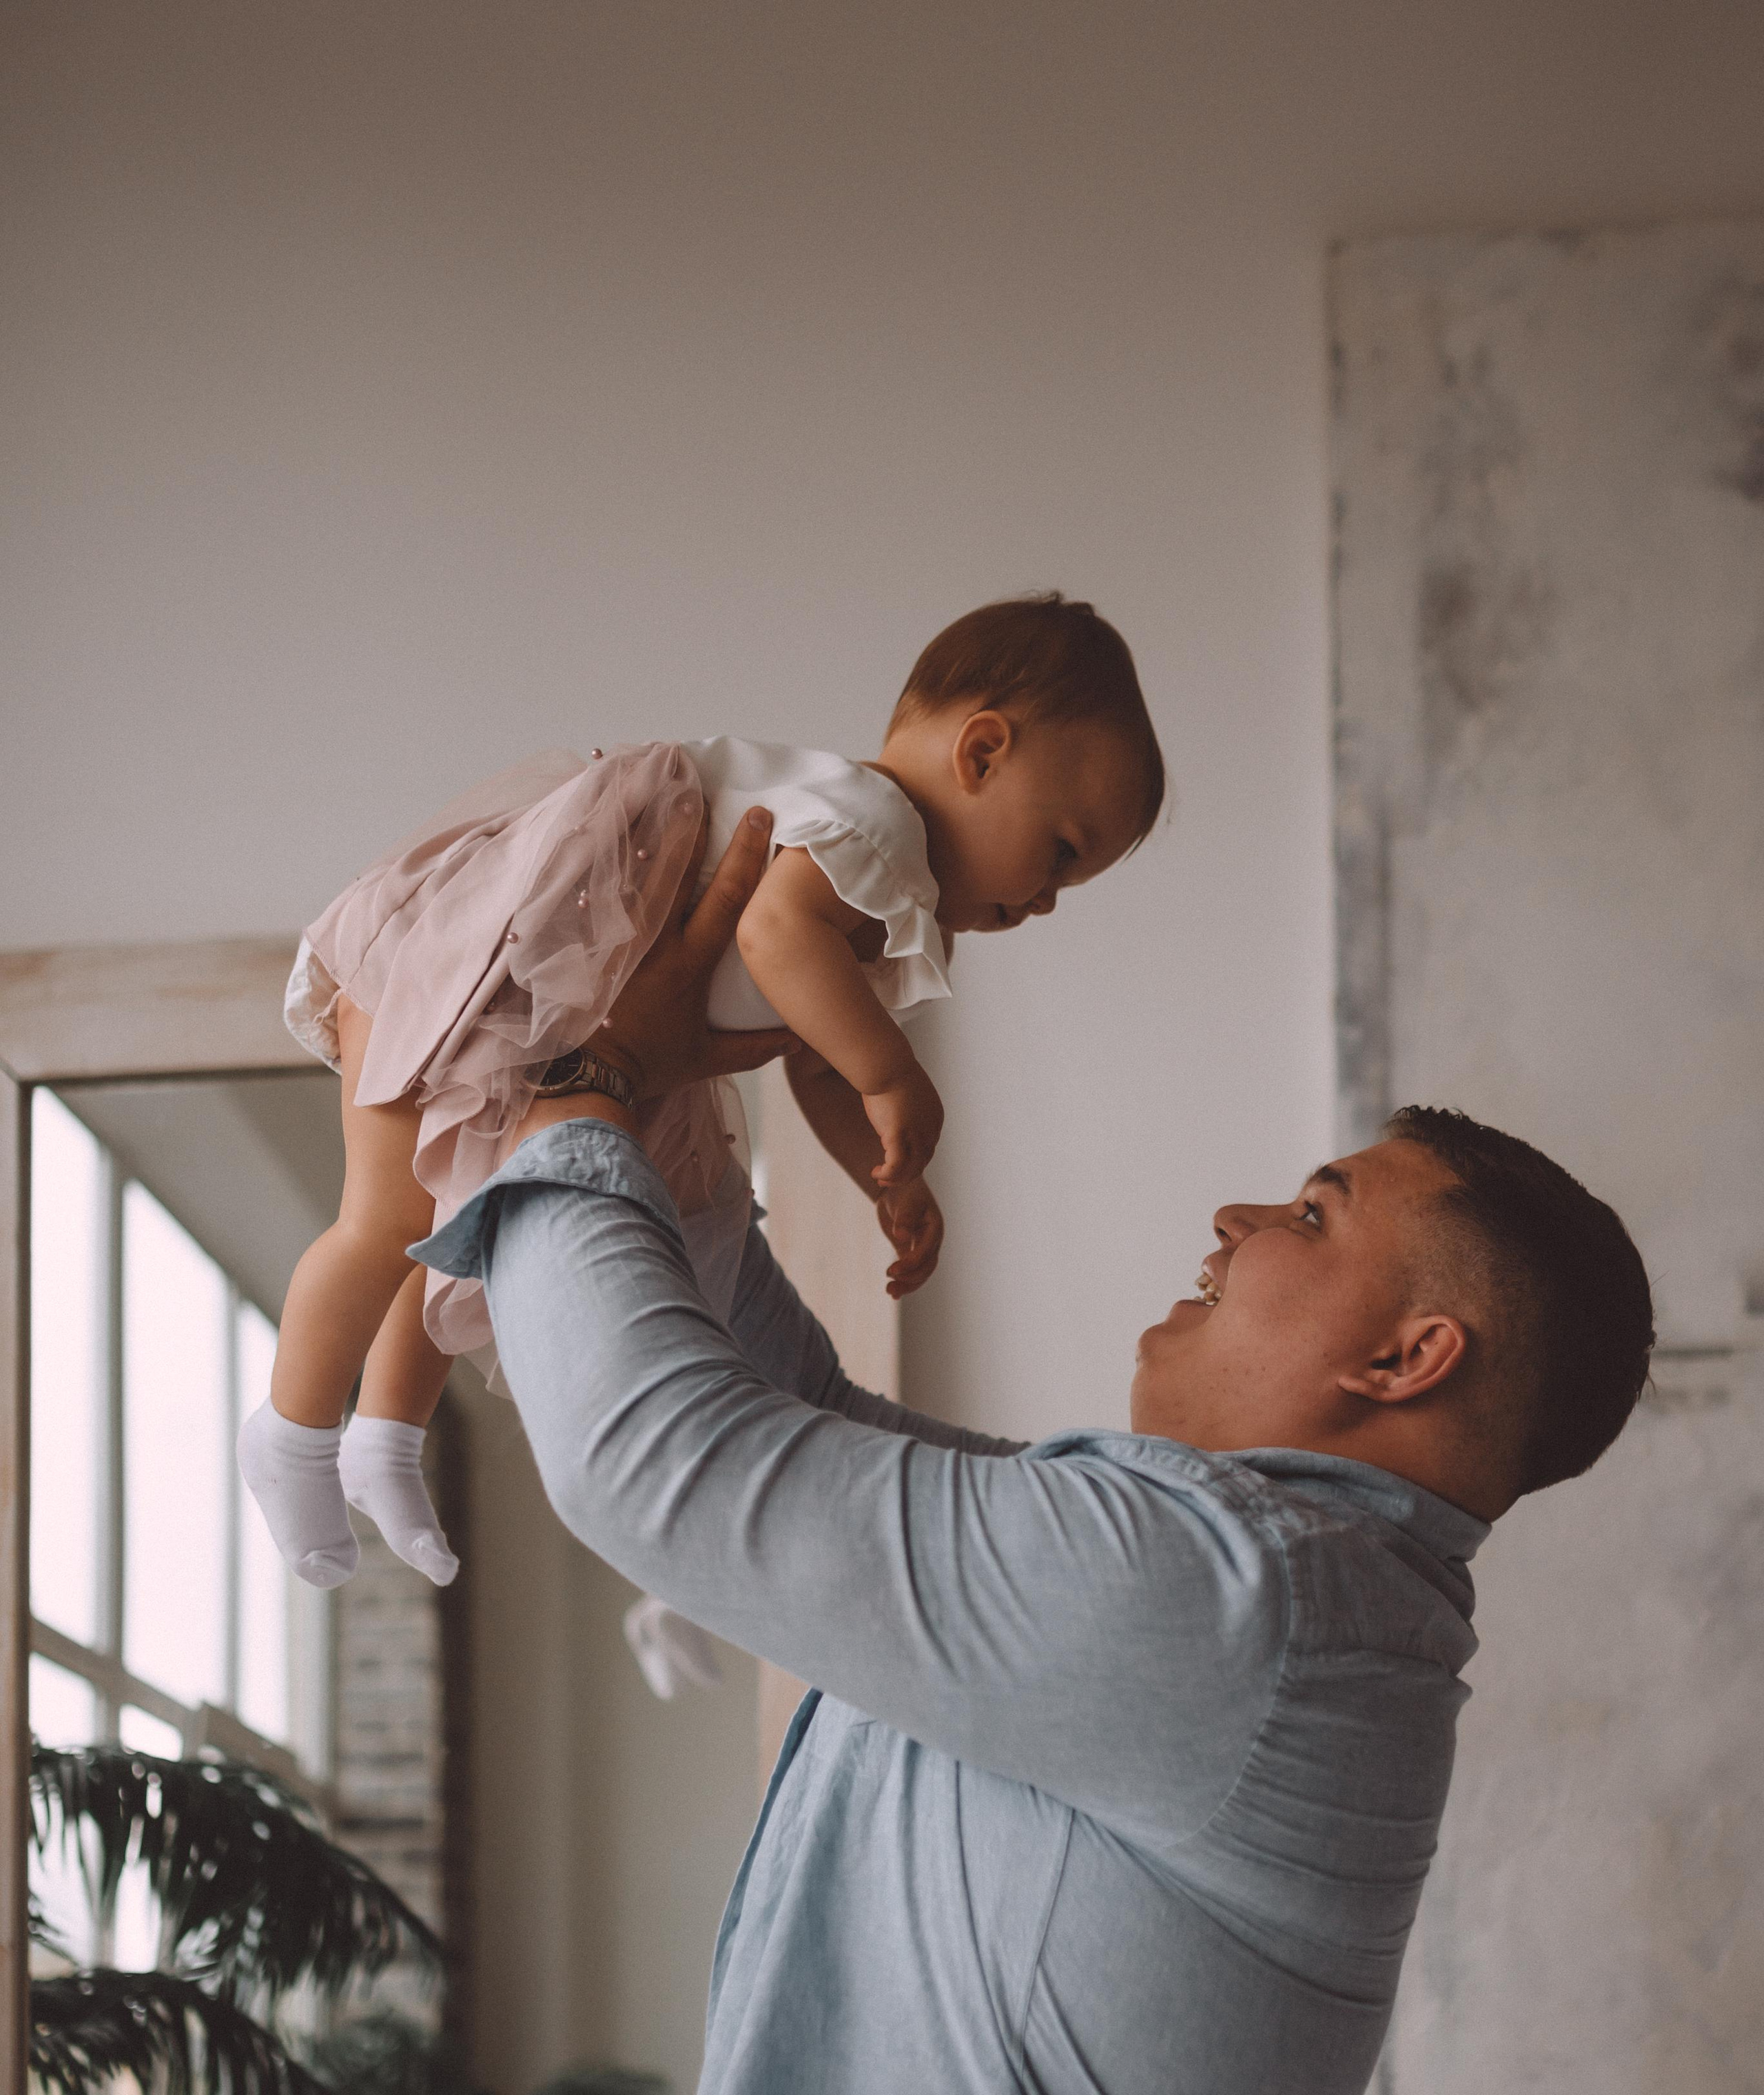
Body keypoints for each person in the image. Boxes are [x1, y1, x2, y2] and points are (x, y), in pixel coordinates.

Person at [416, 815, 1655, 2095]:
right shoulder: (1244, 1592)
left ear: (1407, 1359)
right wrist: (683, 1112)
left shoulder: (1245, 1599)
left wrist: (577, 1083)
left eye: (1311, 1216)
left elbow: (662, 1463)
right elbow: (787, 1423)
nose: (1239, 1220)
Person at [238, 595, 1164, 1593]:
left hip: (542, 1010)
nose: (1045, 901)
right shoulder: (876, 822)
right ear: (981, 753)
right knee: (387, 1217)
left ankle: (384, 1442)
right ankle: (289, 1432)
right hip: (470, 959)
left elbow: (812, 1059)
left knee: (457, 1219)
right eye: (1062, 851)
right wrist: (892, 1072)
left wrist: (883, 1175)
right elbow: (773, 938)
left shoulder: (879, 894)